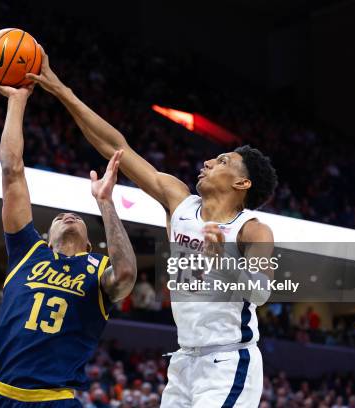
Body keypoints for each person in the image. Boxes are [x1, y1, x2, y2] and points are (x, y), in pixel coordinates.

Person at [28, 50, 278, 408]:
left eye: (222, 161)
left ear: (242, 184)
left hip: (229, 361)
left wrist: (223, 260)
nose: (207, 161)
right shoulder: (180, 201)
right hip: (183, 361)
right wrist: (62, 91)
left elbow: (261, 293)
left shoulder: (251, 230)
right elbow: (117, 148)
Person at [0, 77, 137, 408]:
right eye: (60, 216)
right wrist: (17, 100)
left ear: (91, 246)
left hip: (55, 400)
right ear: (45, 238)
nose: (69, 215)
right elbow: (11, 171)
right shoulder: (28, 251)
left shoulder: (98, 268)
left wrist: (105, 203)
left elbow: (126, 277)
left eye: (77, 217)